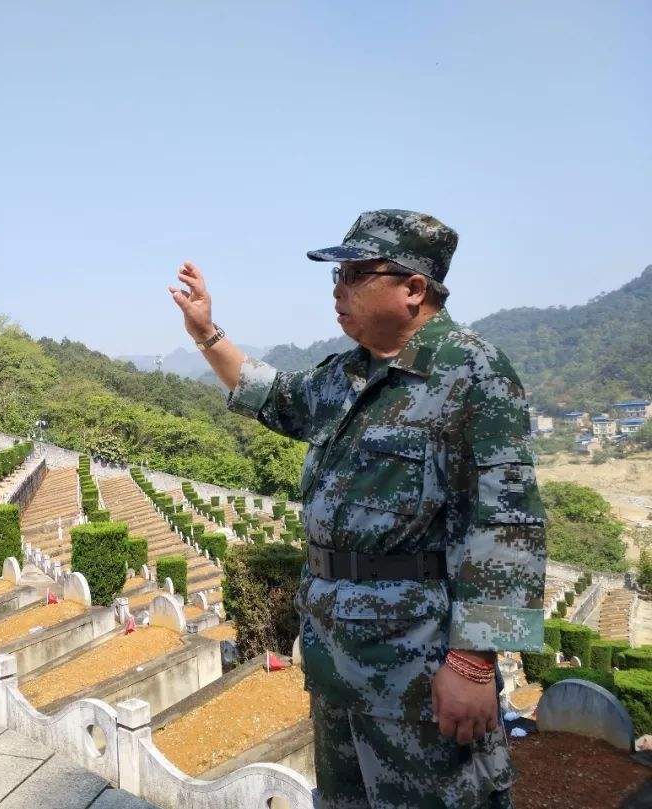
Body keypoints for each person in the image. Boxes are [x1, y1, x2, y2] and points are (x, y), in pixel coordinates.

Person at [168, 209, 546, 808]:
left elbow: (506, 521)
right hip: (336, 652)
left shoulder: (469, 371)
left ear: (413, 288)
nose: (336, 289)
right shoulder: (349, 371)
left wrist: (474, 660)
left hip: (416, 660)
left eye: (351, 274)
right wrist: (206, 334)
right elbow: (275, 395)